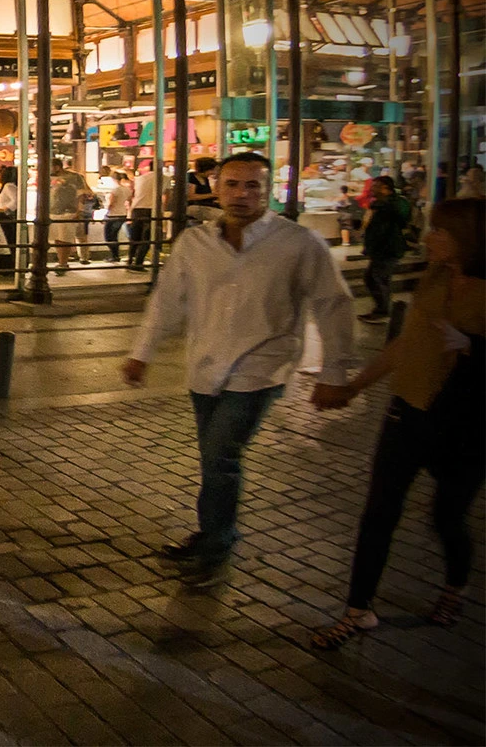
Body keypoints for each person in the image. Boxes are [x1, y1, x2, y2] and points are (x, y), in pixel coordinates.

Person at [122, 151, 356, 589]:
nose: (241, 195)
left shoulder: (298, 243)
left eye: (253, 186)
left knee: (221, 456)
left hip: (261, 369)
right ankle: (212, 530)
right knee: (214, 458)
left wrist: (334, 373)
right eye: (232, 184)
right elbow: (168, 300)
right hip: (205, 367)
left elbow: (333, 305)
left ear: (269, 191)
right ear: (216, 187)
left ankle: (217, 544)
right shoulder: (195, 244)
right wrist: (142, 352)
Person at [310, 198, 484, 649]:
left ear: (468, 238)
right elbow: (405, 344)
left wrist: (472, 345)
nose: (428, 239)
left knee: (446, 517)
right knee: (379, 513)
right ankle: (358, 609)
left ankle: (455, 586)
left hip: (467, 426)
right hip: (407, 412)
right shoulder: (435, 276)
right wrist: (354, 386)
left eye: (439, 232)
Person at [357, 175, 413, 324]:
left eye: (376, 186)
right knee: (373, 278)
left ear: (386, 188)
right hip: (378, 248)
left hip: (389, 248)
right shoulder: (376, 205)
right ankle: (381, 309)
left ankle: (383, 311)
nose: (372, 189)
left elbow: (402, 218)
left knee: (377, 278)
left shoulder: (397, 202)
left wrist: (381, 206)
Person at [46, 161, 92, 275]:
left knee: (65, 238)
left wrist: (79, 210)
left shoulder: (75, 177)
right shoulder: (48, 177)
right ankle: (61, 261)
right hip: (52, 211)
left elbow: (82, 194)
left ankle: (63, 263)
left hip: (68, 212)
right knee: (57, 238)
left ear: (57, 167)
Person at [128, 161, 158, 271]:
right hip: (151, 210)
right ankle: (138, 263)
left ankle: (130, 260)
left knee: (135, 237)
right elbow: (165, 197)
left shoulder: (139, 178)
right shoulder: (163, 177)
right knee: (147, 238)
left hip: (137, 209)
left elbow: (133, 194)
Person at [0, 164, 19, 276]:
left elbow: (15, 201)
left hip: (5, 218)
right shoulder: (10, 186)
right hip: (5, 217)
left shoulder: (8, 186)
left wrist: (2, 210)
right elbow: (4, 198)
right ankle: (7, 266)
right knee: (7, 241)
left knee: (6, 242)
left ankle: (7, 266)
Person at [103, 169, 133, 263]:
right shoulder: (127, 189)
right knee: (114, 235)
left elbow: (111, 203)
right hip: (122, 214)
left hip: (113, 215)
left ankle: (115, 255)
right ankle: (115, 255)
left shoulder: (115, 190)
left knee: (109, 237)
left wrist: (106, 212)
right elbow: (130, 201)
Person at [187, 157, 222, 223]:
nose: (214, 172)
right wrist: (212, 195)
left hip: (203, 206)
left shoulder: (205, 179)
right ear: (206, 169)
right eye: (213, 170)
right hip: (193, 207)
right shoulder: (191, 177)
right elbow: (190, 196)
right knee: (221, 216)